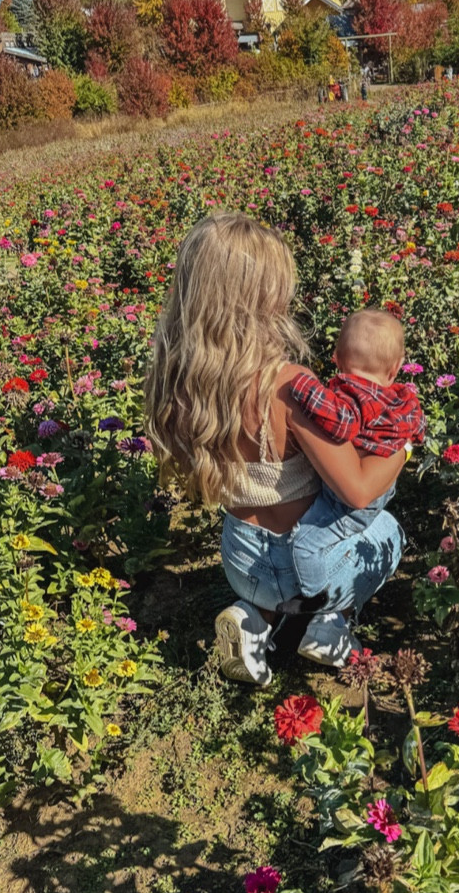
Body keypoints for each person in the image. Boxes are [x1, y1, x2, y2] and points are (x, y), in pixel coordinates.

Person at [144, 214, 407, 686]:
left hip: (241, 558)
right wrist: (403, 441)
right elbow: (359, 491)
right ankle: (328, 619)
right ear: (264, 295)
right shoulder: (288, 386)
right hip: (306, 565)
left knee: (268, 580)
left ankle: (254, 620)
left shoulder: (183, 380)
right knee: (386, 531)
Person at [288, 309, 424, 597]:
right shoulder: (402, 397)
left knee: (305, 543)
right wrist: (407, 444)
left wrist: (301, 387)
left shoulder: (352, 399)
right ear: (396, 367)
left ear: (336, 358)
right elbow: (417, 424)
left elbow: (341, 425)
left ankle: (315, 601)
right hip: (382, 485)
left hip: (347, 501)